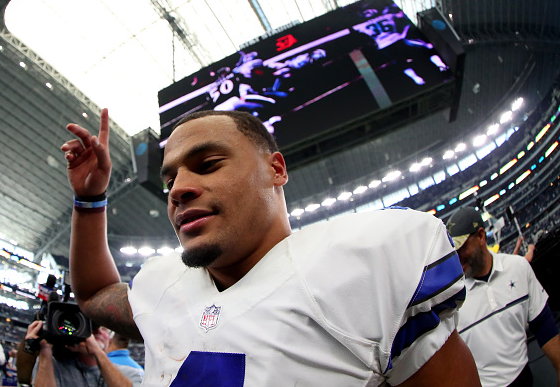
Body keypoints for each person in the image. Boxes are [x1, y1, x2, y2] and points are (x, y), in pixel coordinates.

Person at [61, 108, 480, 386]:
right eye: (170, 181)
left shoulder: (361, 267)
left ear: (275, 169)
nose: (179, 190)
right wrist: (90, 199)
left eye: (208, 165)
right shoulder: (163, 286)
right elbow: (94, 295)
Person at [447, 206, 560, 386]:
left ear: (481, 236)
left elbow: (544, 325)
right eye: (453, 251)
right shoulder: (451, 299)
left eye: (462, 248)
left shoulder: (518, 267)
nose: (457, 257)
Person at [19, 320, 134, 387]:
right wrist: (45, 349)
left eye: (104, 329)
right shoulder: (53, 366)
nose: (98, 331)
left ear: (110, 338)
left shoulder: (128, 372)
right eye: (90, 328)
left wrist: (97, 353)